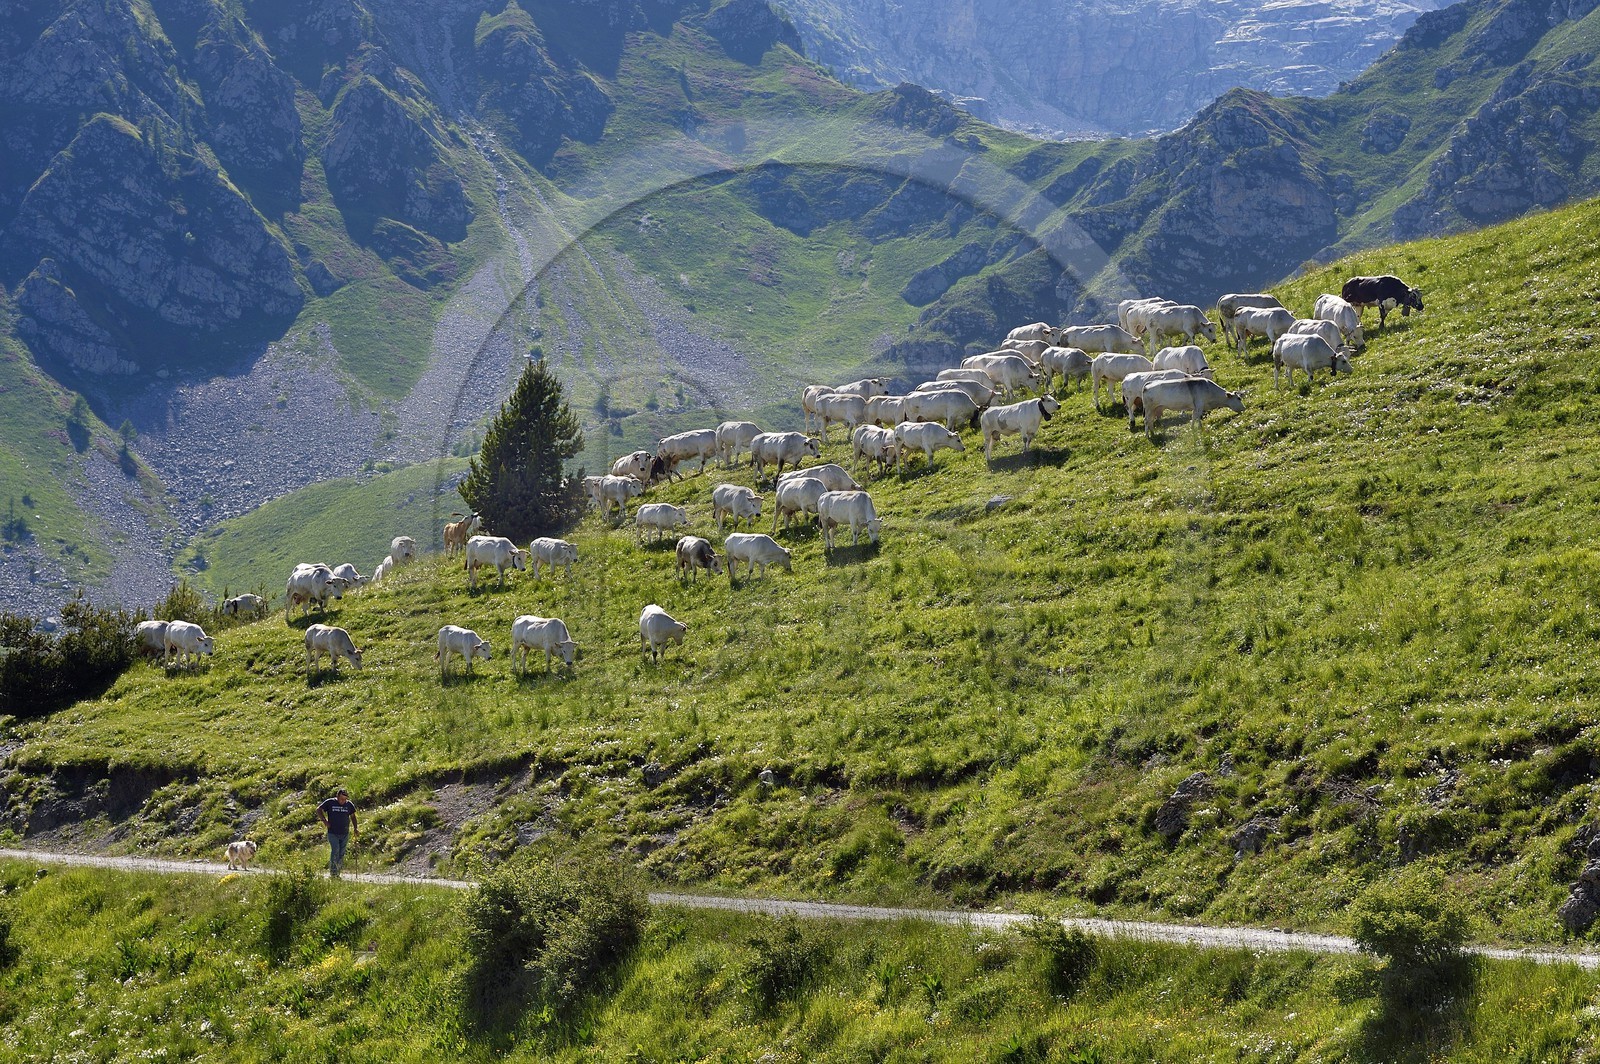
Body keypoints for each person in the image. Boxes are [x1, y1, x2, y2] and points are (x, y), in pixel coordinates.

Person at [317, 787, 358, 877]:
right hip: (333, 832)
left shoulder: (349, 805)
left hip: (345, 833)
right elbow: (319, 810)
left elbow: (353, 816)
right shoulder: (330, 802)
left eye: (345, 799)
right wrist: (324, 821)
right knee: (335, 851)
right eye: (341, 799)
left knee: (341, 853)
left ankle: (337, 872)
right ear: (337, 796)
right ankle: (333, 873)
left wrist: (355, 828)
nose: (343, 801)